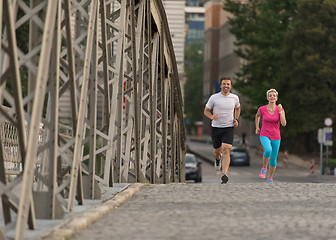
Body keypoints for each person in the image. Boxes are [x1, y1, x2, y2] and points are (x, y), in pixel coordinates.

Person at [204, 76, 240, 184]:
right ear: (220, 86)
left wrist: (236, 119)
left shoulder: (235, 98)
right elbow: (206, 111)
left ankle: (224, 174)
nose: (226, 86)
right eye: (224, 84)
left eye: (228, 84)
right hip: (216, 127)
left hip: (229, 127)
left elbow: (238, 108)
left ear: (230, 86)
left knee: (226, 149)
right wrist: (211, 117)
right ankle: (217, 159)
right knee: (217, 151)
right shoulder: (214, 98)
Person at [255, 88, 287, 183]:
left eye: (274, 95)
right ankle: (264, 167)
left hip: (276, 136)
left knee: (273, 159)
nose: (272, 97)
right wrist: (257, 127)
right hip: (264, 134)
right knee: (268, 150)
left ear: (276, 98)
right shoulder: (262, 109)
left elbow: (284, 123)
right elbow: (257, 116)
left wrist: (281, 112)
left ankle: (270, 178)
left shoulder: (280, 109)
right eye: (270, 95)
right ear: (267, 98)